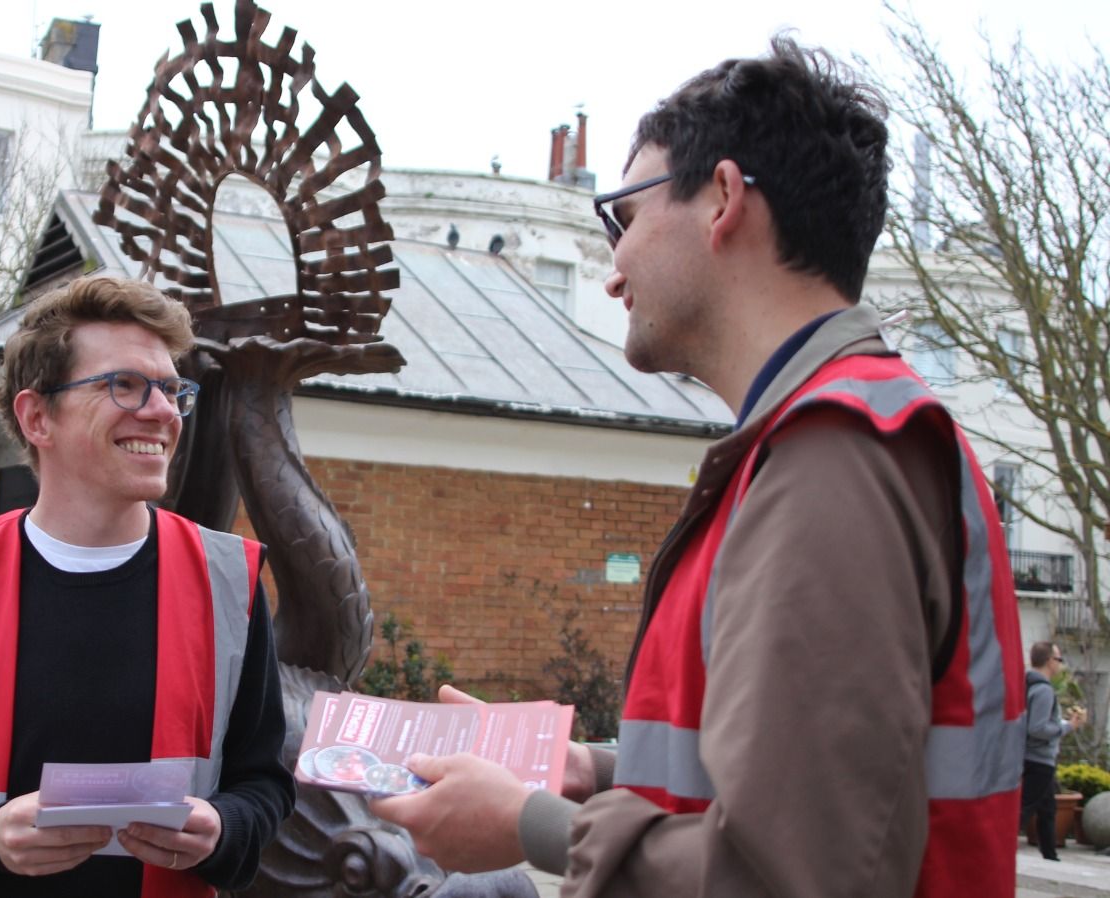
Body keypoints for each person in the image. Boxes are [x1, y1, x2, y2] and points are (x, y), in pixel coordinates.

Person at [369, 37, 1026, 898]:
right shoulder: (830, 439)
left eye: (625, 218)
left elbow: (794, 873)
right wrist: (591, 769)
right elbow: (787, 782)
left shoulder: (833, 457)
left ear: (722, 198)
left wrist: (530, 825)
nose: (614, 271)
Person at [0, 277, 294, 898]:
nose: (164, 411)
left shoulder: (231, 582)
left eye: (170, 389)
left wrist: (227, 828)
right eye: (126, 385)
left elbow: (265, 784)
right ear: (38, 417)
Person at [1021, 641, 1088, 860]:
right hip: (1038, 759)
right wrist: (1069, 726)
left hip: (1033, 757)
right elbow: (1037, 728)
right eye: (1058, 659)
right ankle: (994, 846)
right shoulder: (1043, 690)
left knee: (1048, 807)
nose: (1060, 664)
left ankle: (1050, 854)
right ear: (1049, 661)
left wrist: (1064, 722)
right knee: (1024, 808)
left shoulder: (1029, 685)